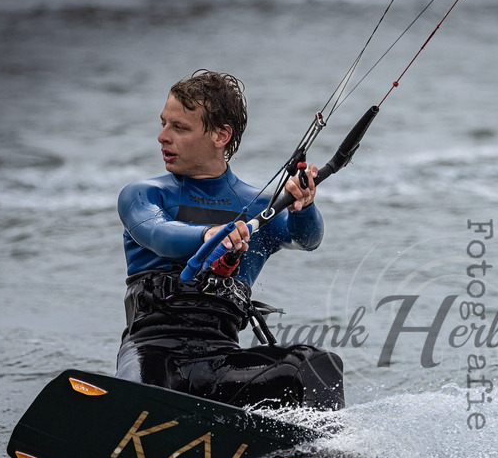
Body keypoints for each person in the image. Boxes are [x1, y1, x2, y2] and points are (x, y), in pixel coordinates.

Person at [115, 70, 344, 409]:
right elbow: (159, 235)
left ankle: (324, 456)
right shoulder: (144, 195)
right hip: (154, 358)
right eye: (164, 124)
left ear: (221, 135)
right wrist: (209, 235)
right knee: (139, 395)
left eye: (179, 128)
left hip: (221, 364)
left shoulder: (261, 207)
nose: (163, 137)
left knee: (316, 365)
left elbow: (307, 239)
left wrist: (302, 206)